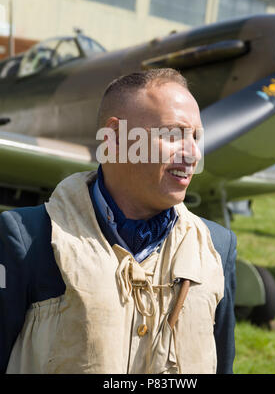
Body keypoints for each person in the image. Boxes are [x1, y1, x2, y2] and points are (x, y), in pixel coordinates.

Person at [0, 68, 236, 374]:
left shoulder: (219, 247)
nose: (193, 153)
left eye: (196, 137)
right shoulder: (28, 239)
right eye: (175, 134)